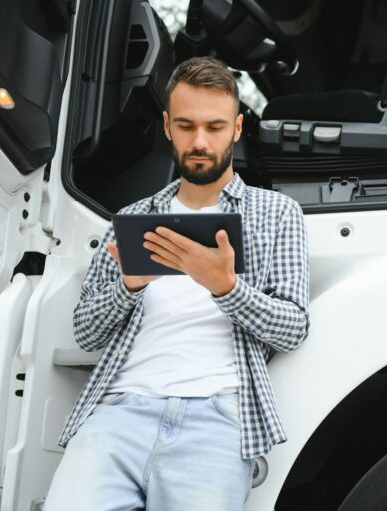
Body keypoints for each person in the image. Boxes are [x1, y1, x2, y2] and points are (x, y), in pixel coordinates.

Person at [44, 56, 310, 510]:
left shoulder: (277, 214)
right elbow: (86, 332)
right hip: (118, 413)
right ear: (167, 126)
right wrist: (129, 286)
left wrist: (227, 288)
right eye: (186, 126)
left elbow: (293, 327)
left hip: (219, 418)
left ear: (238, 128)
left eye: (215, 126)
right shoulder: (131, 219)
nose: (200, 141)